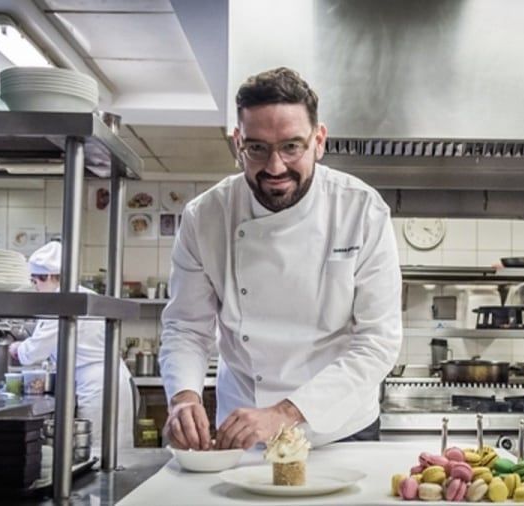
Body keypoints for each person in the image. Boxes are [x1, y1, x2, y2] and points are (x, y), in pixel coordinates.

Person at [159, 67, 402, 450]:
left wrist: (285, 413)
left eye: (291, 147)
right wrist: (183, 397)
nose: (275, 167)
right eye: (257, 148)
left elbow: (378, 341)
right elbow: (187, 327)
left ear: (318, 141)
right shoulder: (206, 217)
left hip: (339, 428)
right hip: (243, 428)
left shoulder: (361, 211)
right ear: (238, 142)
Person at [9, 241, 134, 449]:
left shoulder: (60, 301)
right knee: (116, 449)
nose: (35, 288)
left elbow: (33, 352)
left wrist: (16, 349)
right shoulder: (81, 293)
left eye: (35, 281)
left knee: (97, 449)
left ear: (50, 276)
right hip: (113, 380)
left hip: (97, 388)